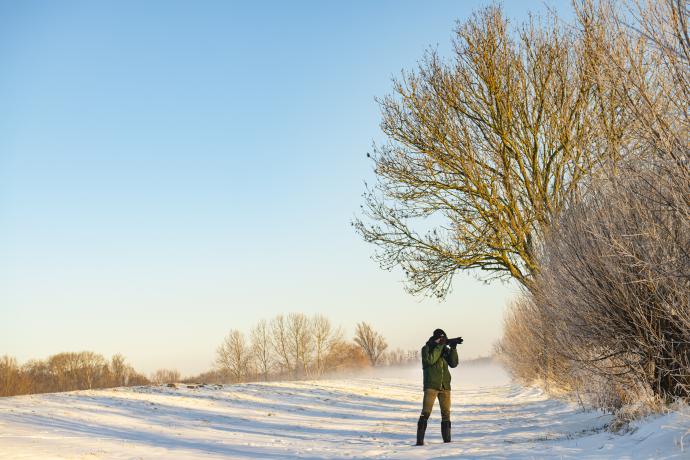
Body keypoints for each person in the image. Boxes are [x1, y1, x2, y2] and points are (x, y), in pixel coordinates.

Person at [416, 328, 459, 446]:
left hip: (445, 386)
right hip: (431, 386)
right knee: (425, 413)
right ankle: (419, 442)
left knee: (446, 414)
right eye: (441, 339)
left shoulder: (444, 349)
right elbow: (430, 360)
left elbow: (454, 364)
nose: (443, 341)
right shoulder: (426, 349)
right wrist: (439, 346)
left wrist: (453, 348)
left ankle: (447, 442)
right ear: (436, 339)